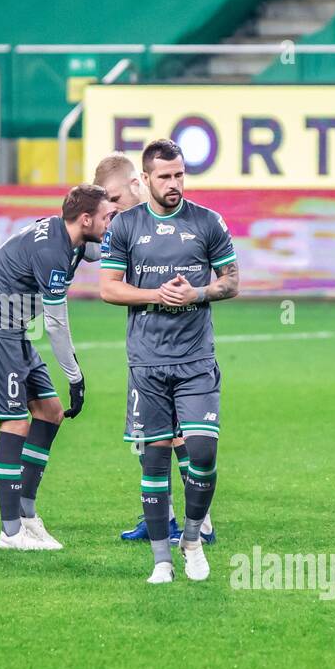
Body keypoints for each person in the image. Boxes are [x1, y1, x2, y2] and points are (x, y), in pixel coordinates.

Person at [99, 139, 239, 583]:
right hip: (147, 362)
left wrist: (197, 293)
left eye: (180, 174)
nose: (175, 183)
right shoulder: (125, 228)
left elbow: (231, 281)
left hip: (196, 358)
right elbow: (108, 288)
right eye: (165, 176)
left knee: (202, 450)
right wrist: (155, 295)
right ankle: (161, 561)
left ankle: (193, 539)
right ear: (145, 180)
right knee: (154, 461)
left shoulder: (207, 222)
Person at [0, 183, 116, 550]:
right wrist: (75, 377)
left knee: (49, 411)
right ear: (85, 219)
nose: (111, 224)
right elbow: (56, 324)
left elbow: (98, 249)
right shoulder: (53, 253)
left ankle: (27, 516)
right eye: (107, 217)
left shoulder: (68, 234)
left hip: (11, 328)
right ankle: (10, 533)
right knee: (15, 421)